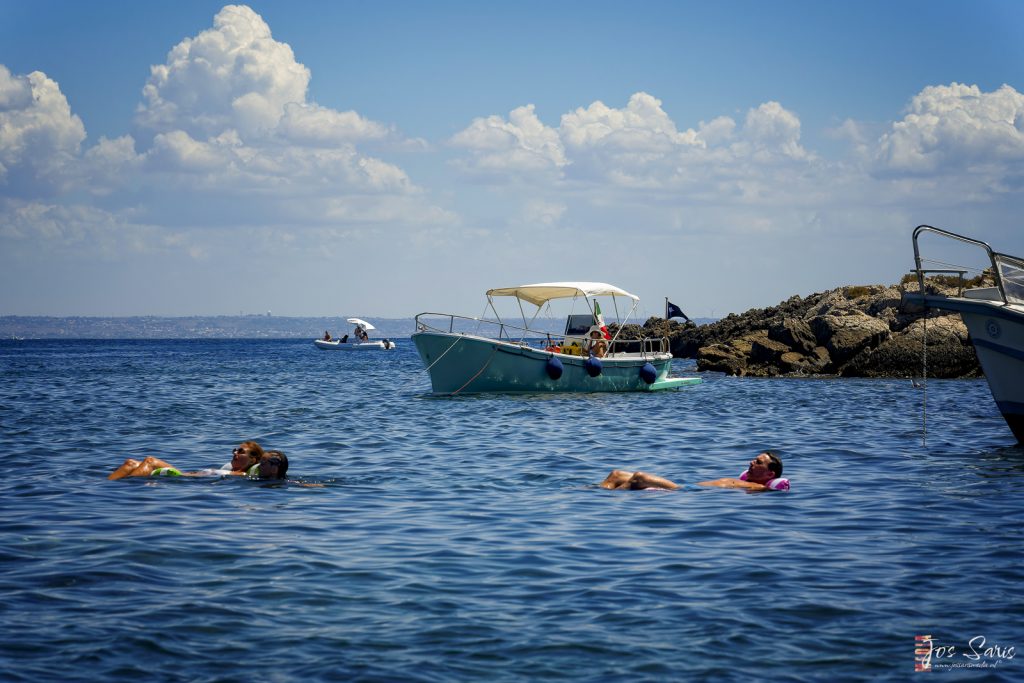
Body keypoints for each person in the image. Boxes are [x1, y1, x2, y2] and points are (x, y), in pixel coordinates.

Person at [601, 451, 787, 492]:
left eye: (758, 462)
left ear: (770, 474)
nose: (751, 462)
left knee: (640, 477)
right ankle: (593, 495)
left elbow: (776, 489)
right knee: (616, 473)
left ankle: (608, 504)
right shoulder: (748, 484)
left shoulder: (758, 488)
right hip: (687, 486)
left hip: (687, 492)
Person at [107, 441, 265, 480]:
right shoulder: (231, 470)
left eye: (241, 451)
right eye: (235, 450)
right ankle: (109, 485)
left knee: (149, 460)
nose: (235, 453)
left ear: (253, 459)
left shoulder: (242, 476)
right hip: (185, 473)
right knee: (130, 463)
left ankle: (128, 484)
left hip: (182, 478)